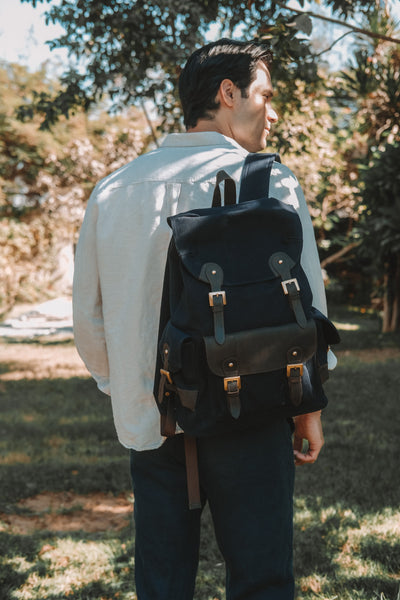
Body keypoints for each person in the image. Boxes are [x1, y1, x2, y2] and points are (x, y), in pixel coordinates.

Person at [73, 39, 335, 600]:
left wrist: (129, 391)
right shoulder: (273, 183)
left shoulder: (114, 190)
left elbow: (88, 323)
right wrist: (307, 409)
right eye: (265, 94)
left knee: (163, 585)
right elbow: (307, 314)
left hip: (154, 423)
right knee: (263, 580)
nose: (273, 110)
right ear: (227, 93)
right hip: (257, 408)